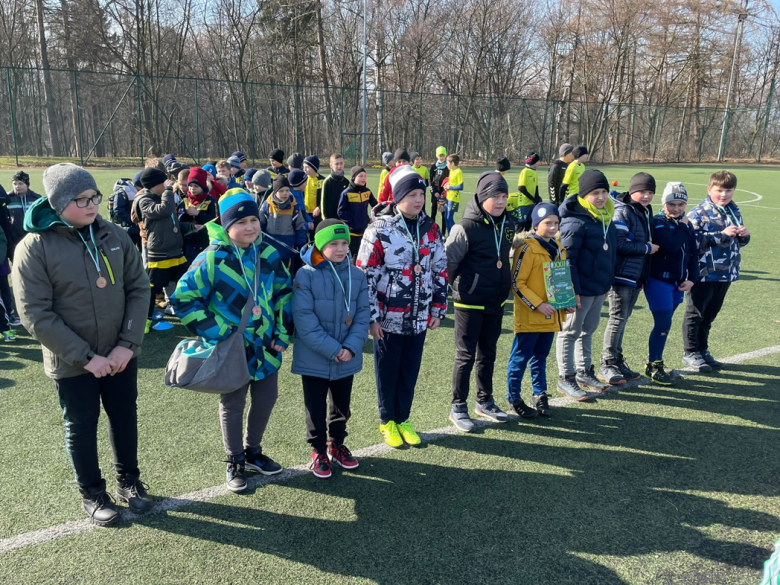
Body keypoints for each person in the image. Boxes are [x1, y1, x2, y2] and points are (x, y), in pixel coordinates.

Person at [12, 163, 153, 526]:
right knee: (81, 424)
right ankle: (91, 493)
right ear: (57, 203)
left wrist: (127, 344)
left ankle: (129, 482)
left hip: (120, 354)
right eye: (81, 199)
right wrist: (87, 358)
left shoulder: (115, 234)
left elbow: (138, 287)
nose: (92, 205)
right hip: (73, 362)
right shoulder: (34, 247)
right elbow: (35, 314)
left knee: (124, 415)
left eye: (95, 197)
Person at [171, 189, 293, 493]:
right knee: (233, 403)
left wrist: (282, 333)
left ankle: (253, 452)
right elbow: (184, 298)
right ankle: (235, 460)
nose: (250, 227)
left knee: (266, 399)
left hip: (265, 346)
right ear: (226, 226)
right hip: (233, 348)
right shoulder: (212, 257)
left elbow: (284, 294)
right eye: (241, 222)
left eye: (254, 219)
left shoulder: (268, 254)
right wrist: (217, 332)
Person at [357, 172, 448, 448]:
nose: (419, 200)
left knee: (410, 369)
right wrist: (372, 318)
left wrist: (438, 308)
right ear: (398, 198)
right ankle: (387, 421)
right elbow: (366, 275)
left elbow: (440, 269)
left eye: (422, 195)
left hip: (419, 318)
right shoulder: (379, 229)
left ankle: (403, 418)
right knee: (388, 370)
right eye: (412, 196)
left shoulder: (431, 228)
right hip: (388, 319)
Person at [292, 219, 370, 478]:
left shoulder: (357, 274)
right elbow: (304, 320)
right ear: (320, 245)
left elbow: (362, 315)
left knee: (341, 404)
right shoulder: (305, 274)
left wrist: (350, 347)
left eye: (345, 243)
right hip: (315, 356)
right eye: (333, 244)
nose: (340, 249)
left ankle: (336, 444)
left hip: (346, 355)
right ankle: (317, 450)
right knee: (314, 405)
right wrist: (332, 349)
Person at [445, 171, 514, 432]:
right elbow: (449, 264)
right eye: (495, 196)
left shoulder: (508, 225)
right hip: (469, 302)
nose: (500, 201)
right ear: (483, 197)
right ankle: (458, 407)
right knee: (465, 355)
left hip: (496, 302)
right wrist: (456, 291)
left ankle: (484, 401)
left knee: (488, 354)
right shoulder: (464, 227)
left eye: (505, 196)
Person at [507, 203, 575, 418]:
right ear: (536, 225)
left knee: (541, 357)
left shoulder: (559, 248)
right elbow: (517, 283)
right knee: (520, 358)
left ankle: (539, 394)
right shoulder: (526, 248)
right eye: (548, 223)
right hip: (530, 316)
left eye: (556, 223)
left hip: (551, 315)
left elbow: (561, 281)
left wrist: (567, 300)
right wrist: (538, 304)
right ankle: (514, 397)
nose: (553, 227)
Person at [556, 169, 618, 400]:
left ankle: (583, 371)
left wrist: (607, 284)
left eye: (604, 192)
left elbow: (610, 255)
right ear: (583, 195)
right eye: (595, 193)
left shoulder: (606, 218)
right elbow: (567, 259)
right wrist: (574, 291)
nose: (601, 197)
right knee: (569, 332)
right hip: (580, 289)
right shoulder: (574, 222)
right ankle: (566, 377)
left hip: (598, 287)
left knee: (587, 331)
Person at [682, 170, 749, 371]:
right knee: (695, 313)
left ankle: (703, 350)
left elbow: (737, 242)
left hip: (726, 272)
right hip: (703, 273)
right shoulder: (698, 213)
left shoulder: (733, 211)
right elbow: (691, 241)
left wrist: (744, 235)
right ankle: (690, 352)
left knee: (710, 314)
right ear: (709, 189)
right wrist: (721, 235)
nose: (724, 195)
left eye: (728, 190)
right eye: (719, 190)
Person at [599, 172, 660, 386]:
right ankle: (607, 362)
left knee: (623, 319)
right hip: (622, 275)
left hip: (636, 275)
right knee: (617, 319)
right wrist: (646, 248)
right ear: (632, 190)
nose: (646, 196)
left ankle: (617, 359)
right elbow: (621, 244)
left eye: (650, 192)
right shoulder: (623, 211)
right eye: (642, 191)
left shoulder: (643, 210)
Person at [644, 182, 698, 385]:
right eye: (672, 203)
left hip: (678, 283)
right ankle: (653, 364)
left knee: (665, 324)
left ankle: (655, 361)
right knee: (663, 323)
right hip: (659, 281)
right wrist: (684, 225)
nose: (676, 208)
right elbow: (672, 246)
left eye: (681, 204)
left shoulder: (685, 223)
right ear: (663, 203)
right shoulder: (657, 222)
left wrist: (692, 278)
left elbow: (693, 253)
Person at [131, 167, 187, 334]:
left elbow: (170, 221)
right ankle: (146, 323)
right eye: (163, 182)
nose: (166, 184)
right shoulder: (144, 200)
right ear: (155, 184)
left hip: (175, 250)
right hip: (159, 253)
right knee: (152, 289)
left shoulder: (161, 196)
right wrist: (169, 190)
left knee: (187, 282)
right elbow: (163, 210)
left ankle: (188, 312)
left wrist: (190, 226)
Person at [259, 176, 308, 272]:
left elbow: (300, 226)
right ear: (275, 191)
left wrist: (300, 244)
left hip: (288, 248)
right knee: (270, 272)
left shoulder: (295, 207)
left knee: (287, 274)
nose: (285, 193)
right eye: (281, 191)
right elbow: (260, 224)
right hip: (270, 247)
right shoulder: (266, 206)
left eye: (287, 190)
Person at [178, 167, 218, 264]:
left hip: (204, 241)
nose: (192, 189)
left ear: (203, 186)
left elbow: (216, 221)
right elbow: (178, 222)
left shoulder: (211, 201)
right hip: (188, 242)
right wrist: (185, 215)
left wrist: (199, 214)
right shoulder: (184, 200)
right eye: (190, 186)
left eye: (196, 186)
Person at [337, 166, 377, 261]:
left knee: (362, 255)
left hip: (364, 231)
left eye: (365, 176)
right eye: (360, 176)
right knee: (350, 256)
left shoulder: (367, 192)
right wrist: (352, 222)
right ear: (354, 178)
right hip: (351, 232)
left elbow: (376, 206)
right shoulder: (346, 193)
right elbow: (341, 211)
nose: (363, 178)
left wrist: (371, 218)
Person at [6, 171, 42, 256]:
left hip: (32, 236)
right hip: (13, 237)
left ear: (27, 184)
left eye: (20, 183)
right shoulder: (8, 199)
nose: (17, 186)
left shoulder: (36, 199)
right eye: (15, 184)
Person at [110, 173, 142, 253]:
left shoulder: (135, 190)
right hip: (129, 229)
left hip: (140, 228)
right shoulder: (123, 191)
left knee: (142, 252)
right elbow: (118, 210)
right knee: (128, 252)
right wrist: (133, 221)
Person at [514, 152, 543, 231]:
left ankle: (525, 241)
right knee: (521, 225)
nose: (539, 163)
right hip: (524, 203)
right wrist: (532, 198)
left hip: (532, 204)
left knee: (529, 224)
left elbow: (536, 187)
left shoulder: (535, 172)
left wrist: (537, 197)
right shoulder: (525, 171)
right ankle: (514, 241)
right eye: (538, 161)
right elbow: (521, 188)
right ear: (533, 161)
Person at [320, 153, 350, 220]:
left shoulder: (346, 182)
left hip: (343, 219)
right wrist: (325, 219)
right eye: (336, 164)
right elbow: (323, 202)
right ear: (331, 165)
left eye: (341, 163)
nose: (339, 166)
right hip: (331, 219)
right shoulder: (327, 182)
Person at [428, 146, 449, 233]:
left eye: (443, 155)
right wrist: (434, 192)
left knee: (443, 214)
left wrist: (444, 192)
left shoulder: (448, 167)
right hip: (435, 194)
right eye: (440, 155)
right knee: (433, 213)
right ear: (437, 156)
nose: (441, 157)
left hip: (444, 195)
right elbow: (430, 180)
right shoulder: (433, 167)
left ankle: (443, 233)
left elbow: (449, 180)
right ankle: (432, 232)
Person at [443, 154, 463, 235]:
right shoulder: (451, 170)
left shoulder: (458, 172)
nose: (446, 164)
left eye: (447, 163)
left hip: (454, 198)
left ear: (452, 163)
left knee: (449, 217)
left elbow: (461, 186)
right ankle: (449, 235)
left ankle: (456, 235)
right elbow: (451, 182)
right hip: (448, 197)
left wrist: (450, 187)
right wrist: (446, 185)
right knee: (445, 217)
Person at [303, 155, 325, 230]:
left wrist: (319, 207)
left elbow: (325, 197)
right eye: (304, 167)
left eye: (307, 167)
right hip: (304, 213)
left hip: (316, 214)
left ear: (314, 168)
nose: (304, 169)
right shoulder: (303, 179)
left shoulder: (322, 180)